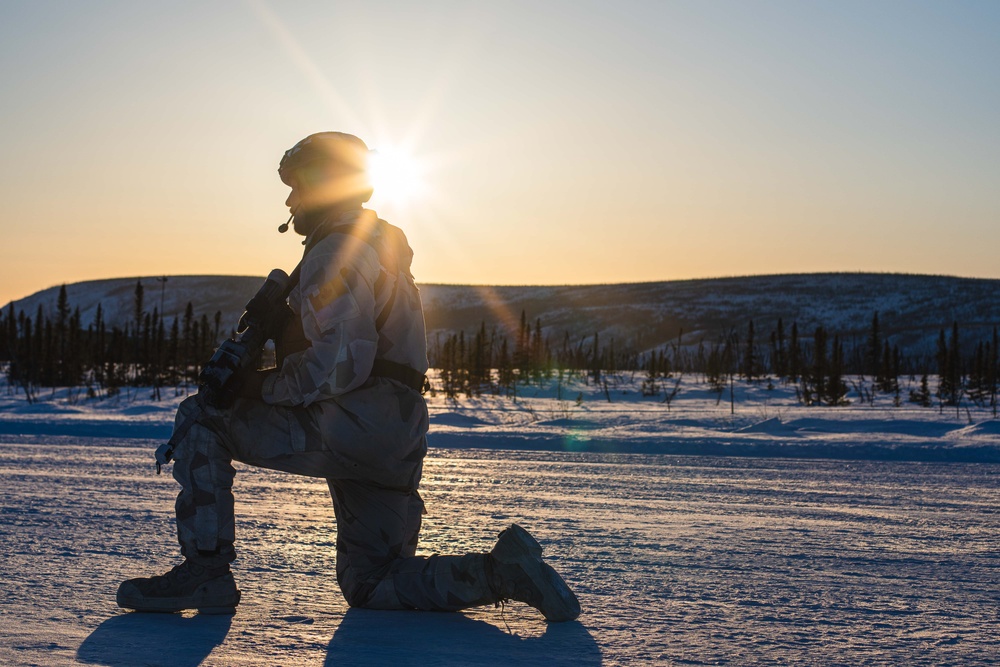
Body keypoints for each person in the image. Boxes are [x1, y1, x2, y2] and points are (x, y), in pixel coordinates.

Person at [116, 132, 581, 622]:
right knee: (371, 581)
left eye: (297, 186)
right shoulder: (380, 246)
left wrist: (257, 384)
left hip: (351, 423)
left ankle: (205, 571)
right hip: (395, 433)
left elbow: (339, 365)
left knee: (200, 418)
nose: (291, 201)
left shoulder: (331, 254)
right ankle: (502, 573)